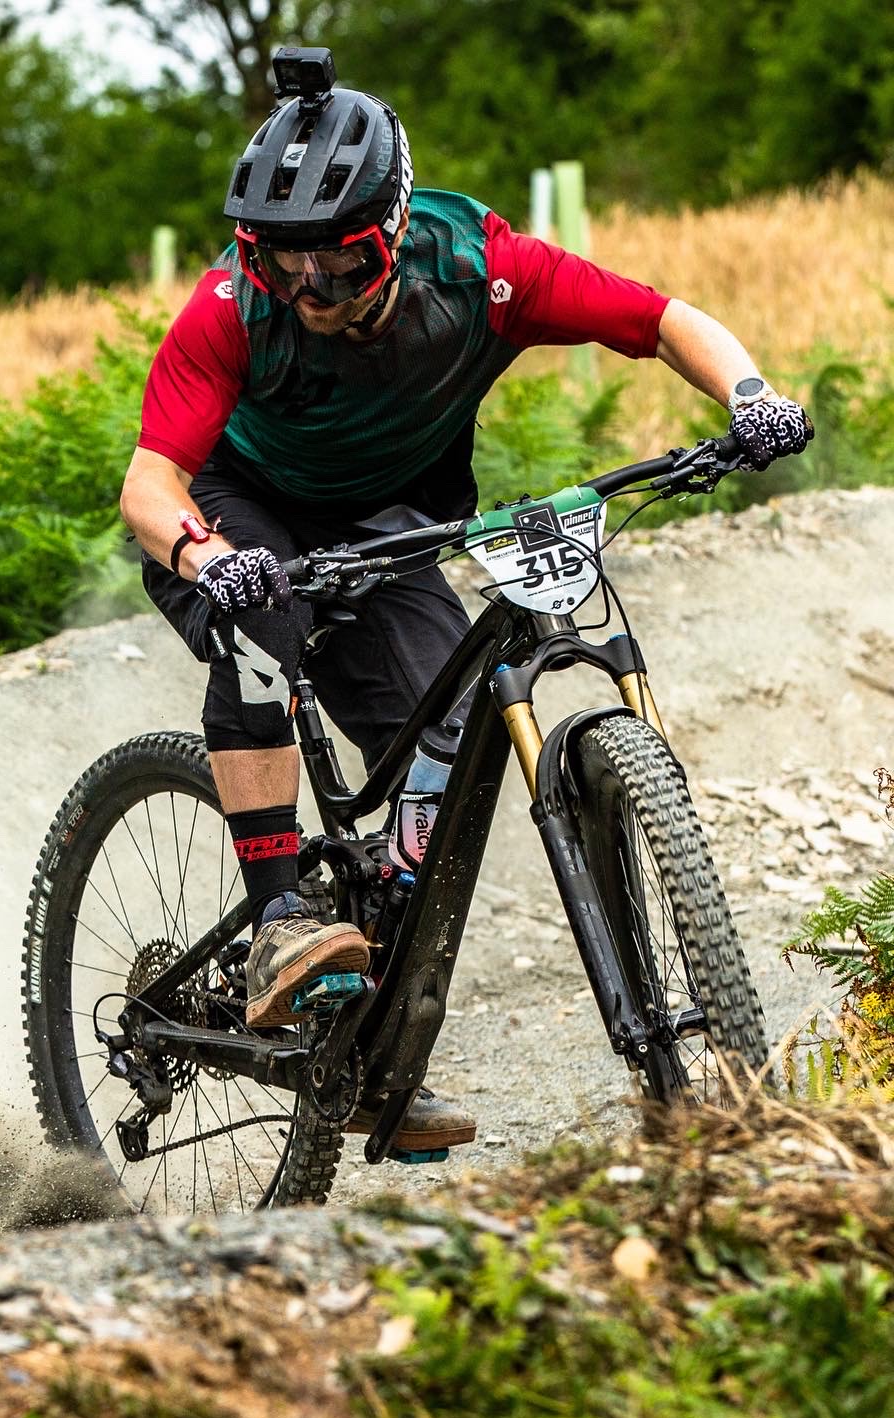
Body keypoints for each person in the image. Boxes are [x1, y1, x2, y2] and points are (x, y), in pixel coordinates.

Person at [120, 57, 812, 1152]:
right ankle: (279, 923)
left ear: (391, 229)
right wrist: (208, 559)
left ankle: (374, 1069)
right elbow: (148, 482)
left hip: (392, 521)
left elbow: (662, 317)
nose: (308, 288)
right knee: (263, 640)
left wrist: (752, 395)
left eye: (337, 262)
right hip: (235, 510)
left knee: (442, 752)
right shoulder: (230, 310)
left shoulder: (481, 267)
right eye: (280, 260)